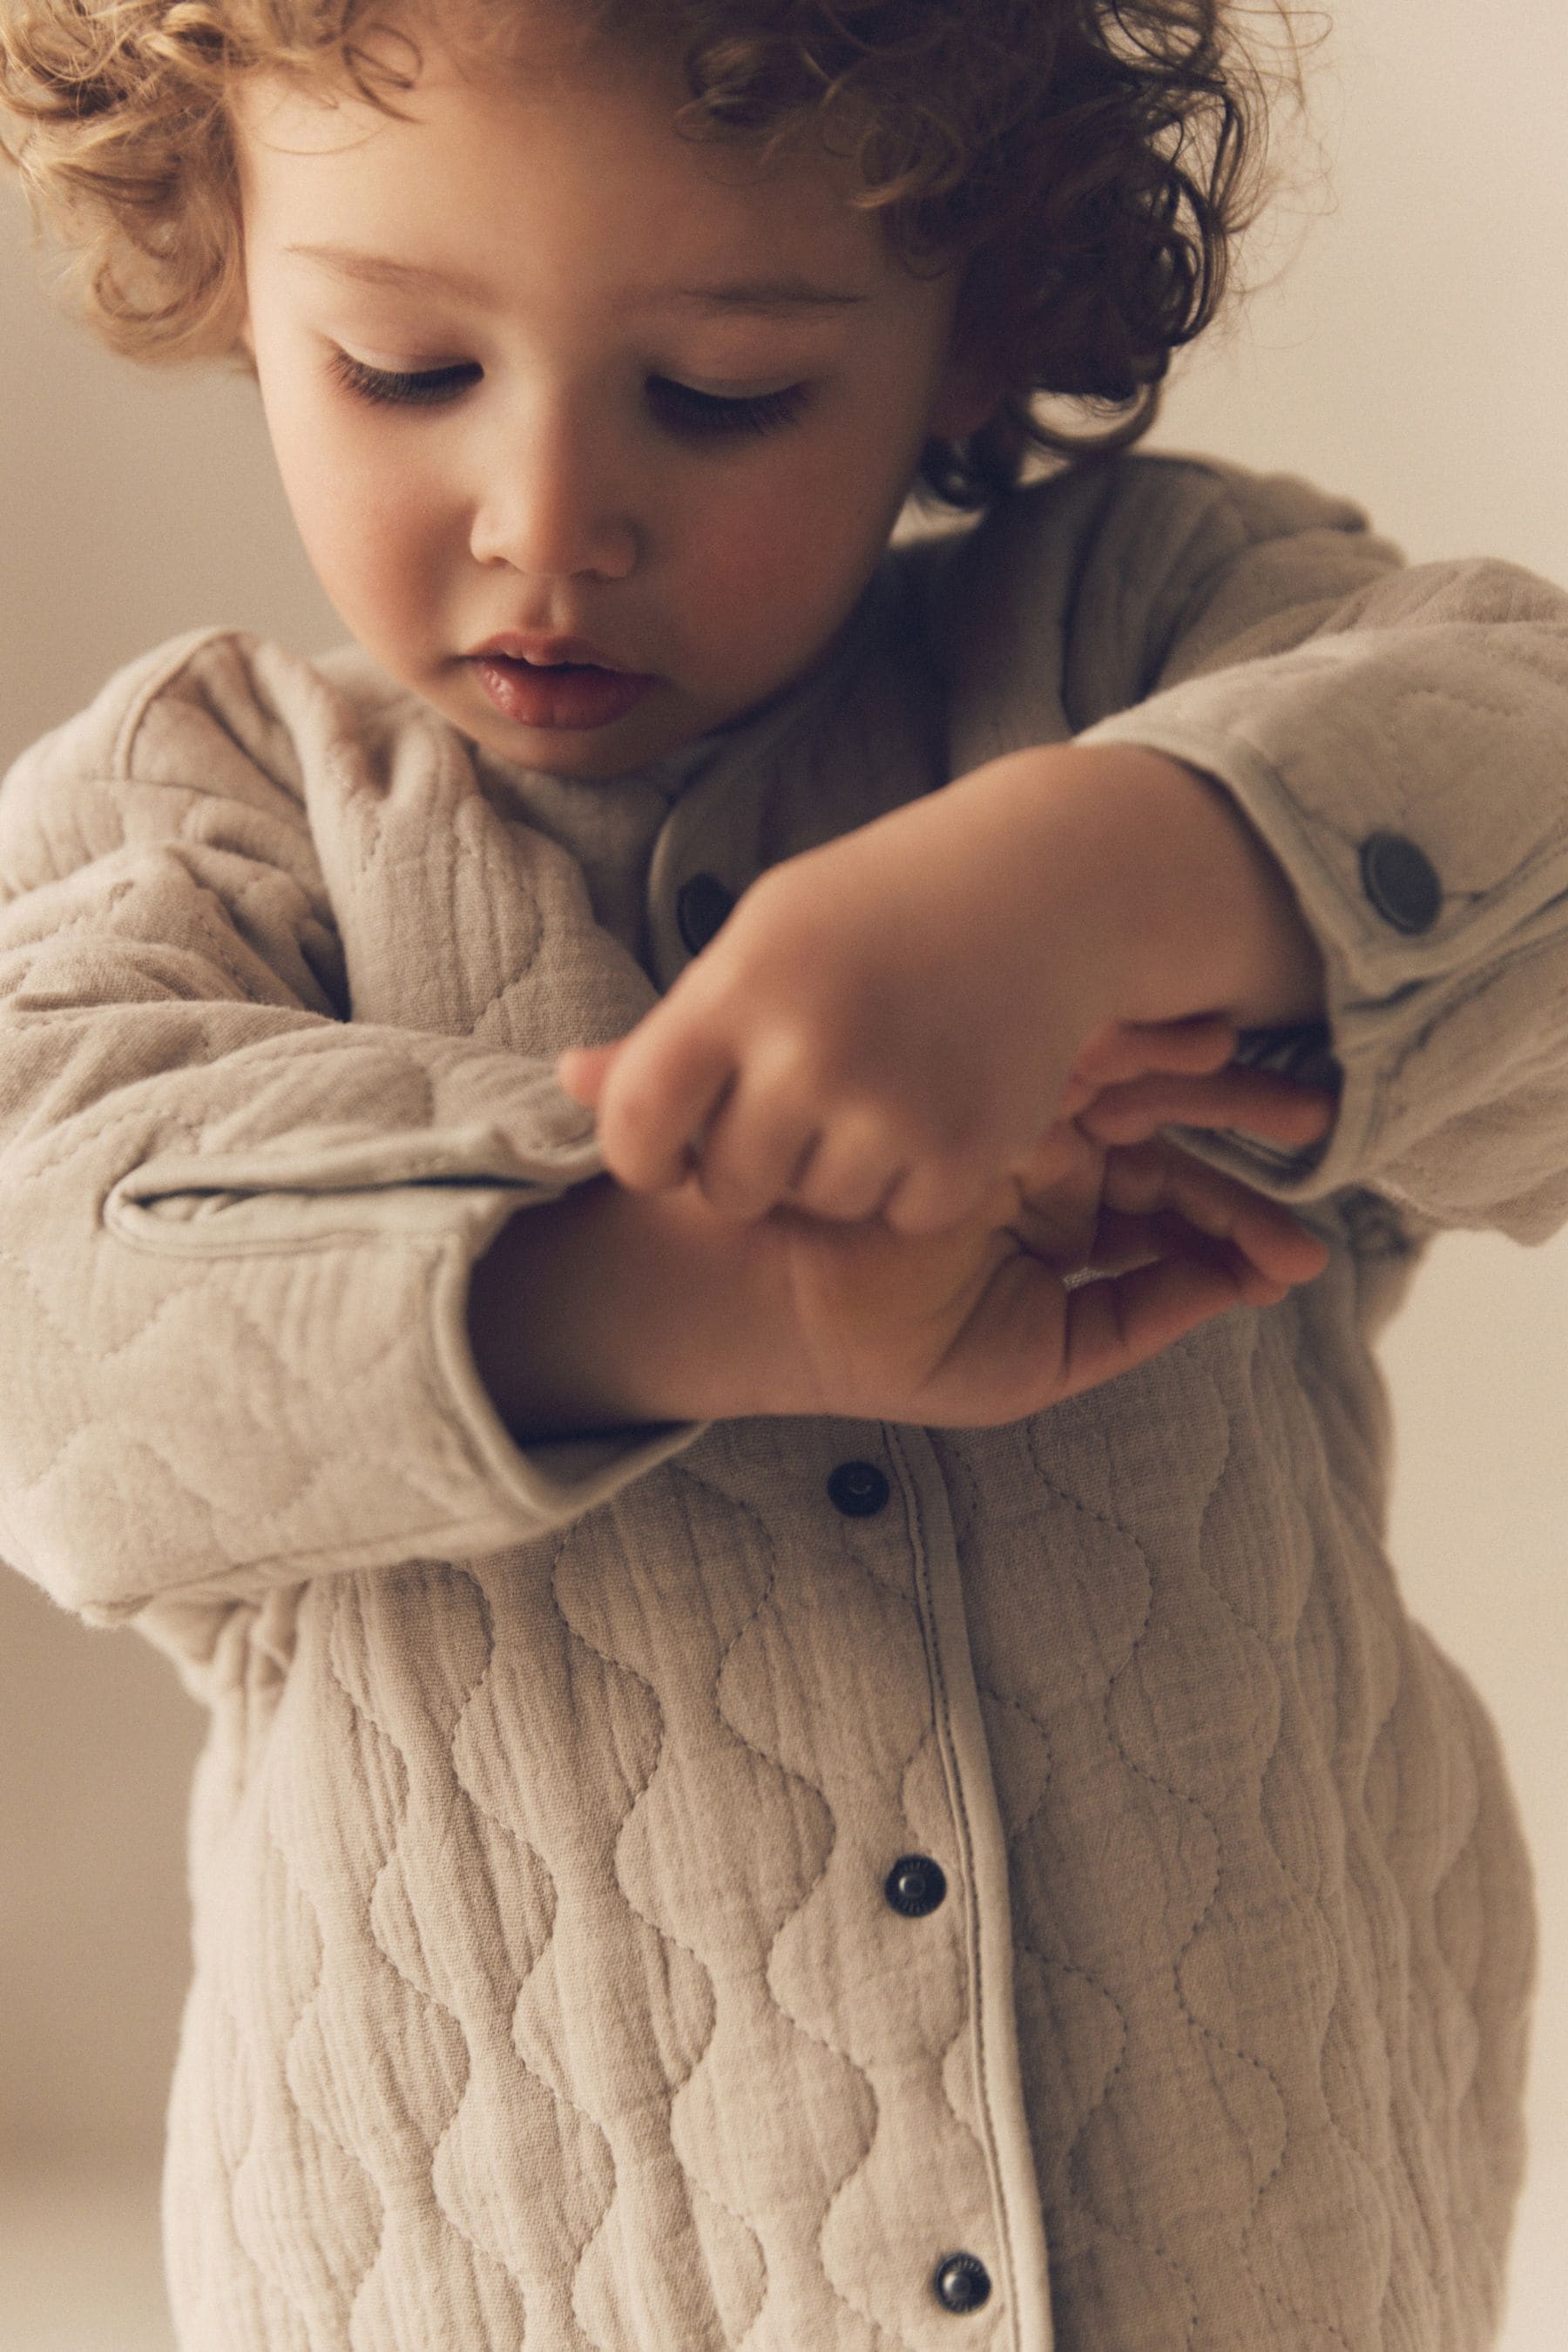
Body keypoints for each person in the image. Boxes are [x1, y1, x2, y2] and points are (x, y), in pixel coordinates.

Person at [0, 2, 1561, 2346]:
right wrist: (672, 1273)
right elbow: (51, 1332)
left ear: (977, 320)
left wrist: (1122, 873)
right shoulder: (210, 815)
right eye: (408, 367)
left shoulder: (1145, 643)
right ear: (225, 252)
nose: (546, 516)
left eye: (724, 389)